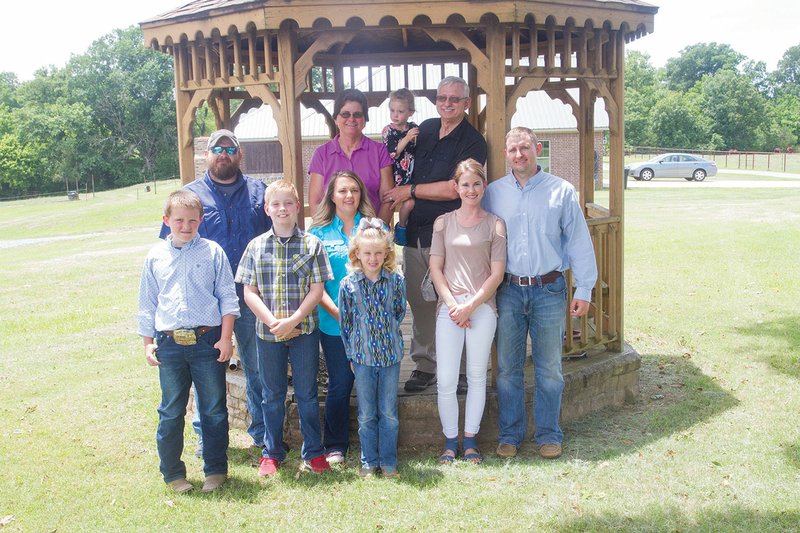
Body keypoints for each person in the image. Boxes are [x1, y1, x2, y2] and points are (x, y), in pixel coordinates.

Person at [483, 127, 598, 460]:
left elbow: (578, 240)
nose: (519, 155)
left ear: (537, 149)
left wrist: (585, 287)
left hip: (549, 289)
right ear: (506, 154)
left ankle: (549, 434)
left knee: (549, 368)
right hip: (508, 290)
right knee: (507, 368)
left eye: (525, 148)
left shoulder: (561, 191)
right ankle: (510, 434)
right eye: (513, 149)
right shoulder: (493, 193)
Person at [160, 129, 271, 457]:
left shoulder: (258, 192)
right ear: (206, 155)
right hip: (204, 302)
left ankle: (263, 433)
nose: (224, 153)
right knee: (204, 371)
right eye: (217, 148)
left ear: (240, 155)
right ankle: (206, 439)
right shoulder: (190, 197)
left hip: (252, 296)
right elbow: (168, 250)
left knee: (257, 368)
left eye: (230, 148)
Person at [382, 76, 487, 393]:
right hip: (416, 234)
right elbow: (393, 155)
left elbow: (454, 187)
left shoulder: (473, 141)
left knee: (458, 300)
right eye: (442, 97)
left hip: (455, 236)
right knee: (421, 301)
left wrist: (409, 190)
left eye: (454, 98)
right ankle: (425, 365)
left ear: (466, 103)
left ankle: (464, 369)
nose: (447, 103)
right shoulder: (424, 129)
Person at [138, 189, 239, 493]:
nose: (186, 226)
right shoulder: (155, 255)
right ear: (166, 220)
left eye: (192, 221)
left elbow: (227, 297)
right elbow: (147, 302)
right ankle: (173, 473)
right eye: (179, 220)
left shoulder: (212, 252)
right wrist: (147, 342)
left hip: (207, 342)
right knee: (171, 409)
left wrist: (225, 338)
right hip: (169, 344)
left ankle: (215, 470)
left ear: (201, 220)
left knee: (213, 409)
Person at [235, 180, 333, 476]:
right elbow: (249, 292)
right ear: (266, 209)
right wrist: (273, 323)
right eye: (275, 204)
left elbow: (317, 289)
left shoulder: (312, 244)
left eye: (288, 203)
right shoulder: (256, 246)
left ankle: (314, 452)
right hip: (268, 335)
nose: (282, 209)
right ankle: (272, 451)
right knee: (272, 394)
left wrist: (293, 321)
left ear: (297, 208)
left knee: (306, 393)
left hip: (304, 332)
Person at [429, 159, 506, 464]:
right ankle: (450, 441)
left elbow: (497, 273)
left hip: (482, 308)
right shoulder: (443, 223)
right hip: (448, 308)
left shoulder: (495, 224)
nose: (471, 190)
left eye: (476, 184)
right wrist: (452, 305)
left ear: (483, 186)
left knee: (476, 376)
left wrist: (471, 305)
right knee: (446, 378)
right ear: (456, 188)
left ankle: (471, 440)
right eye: (465, 184)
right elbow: (436, 268)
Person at [308, 170, 377, 464]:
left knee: (372, 380)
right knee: (340, 381)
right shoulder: (317, 234)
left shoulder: (375, 228)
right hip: (333, 321)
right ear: (332, 196)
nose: (349, 196)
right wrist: (340, 314)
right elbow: (316, 285)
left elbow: (385, 272)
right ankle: (335, 443)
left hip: (372, 323)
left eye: (354, 190)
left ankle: (375, 442)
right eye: (342, 191)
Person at [338, 218, 406, 478]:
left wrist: (385, 335)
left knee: (388, 412)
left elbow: (398, 313)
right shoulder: (349, 285)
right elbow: (346, 322)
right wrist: (351, 355)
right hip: (363, 358)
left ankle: (388, 462)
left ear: (387, 253)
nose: (373, 258)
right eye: (367, 253)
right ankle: (369, 461)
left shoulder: (395, 282)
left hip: (390, 356)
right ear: (357, 254)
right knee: (367, 414)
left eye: (379, 253)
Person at [308, 88, 394, 224]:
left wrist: (375, 232)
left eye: (358, 114)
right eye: (345, 114)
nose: (351, 119)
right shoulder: (321, 154)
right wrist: (331, 233)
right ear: (336, 118)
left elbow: (388, 199)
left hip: (372, 237)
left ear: (365, 119)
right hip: (332, 238)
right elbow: (315, 202)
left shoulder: (379, 151)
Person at [381, 88, 419, 245]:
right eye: (392, 110)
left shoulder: (413, 127)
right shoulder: (388, 130)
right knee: (389, 205)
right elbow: (393, 152)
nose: (395, 115)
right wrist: (407, 138)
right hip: (395, 175)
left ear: (410, 112)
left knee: (410, 204)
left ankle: (402, 226)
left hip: (412, 174)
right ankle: (389, 234)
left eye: (400, 111)